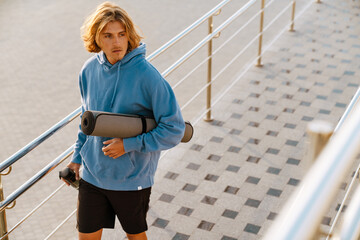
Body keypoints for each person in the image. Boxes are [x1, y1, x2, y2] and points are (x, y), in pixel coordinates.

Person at [63, 2, 185, 240]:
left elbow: (174, 129)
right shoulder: (88, 71)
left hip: (131, 179)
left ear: (130, 35)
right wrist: (76, 159)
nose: (116, 42)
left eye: (121, 34)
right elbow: (86, 121)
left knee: (136, 237)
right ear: (97, 38)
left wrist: (129, 145)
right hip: (92, 176)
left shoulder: (148, 76)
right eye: (107, 36)